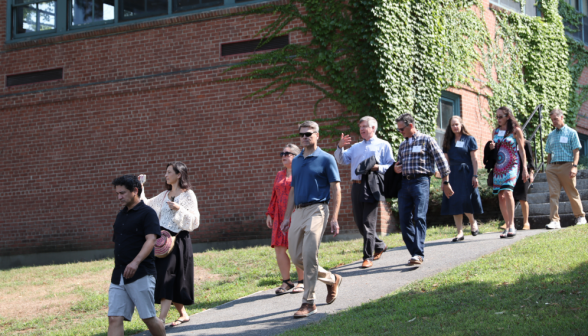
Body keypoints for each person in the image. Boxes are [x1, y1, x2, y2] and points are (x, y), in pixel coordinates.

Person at [280, 121, 343, 318]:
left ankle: (309, 302)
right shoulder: (297, 160)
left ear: (317, 135)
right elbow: (292, 190)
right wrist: (286, 217)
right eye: (302, 134)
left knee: (309, 255)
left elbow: (336, 188)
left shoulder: (326, 159)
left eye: (308, 134)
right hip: (298, 211)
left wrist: (334, 217)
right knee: (297, 257)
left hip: (318, 209)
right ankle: (332, 279)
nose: (305, 137)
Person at [139, 162, 200, 327]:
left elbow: (194, 222)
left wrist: (179, 208)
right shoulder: (164, 194)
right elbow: (146, 204)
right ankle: (183, 314)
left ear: (179, 174)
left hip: (178, 240)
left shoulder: (188, 195)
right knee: (165, 277)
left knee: (167, 276)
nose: (166, 175)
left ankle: (161, 320)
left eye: (169, 172)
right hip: (162, 242)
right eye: (165, 172)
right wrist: (141, 187)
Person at [109, 175, 165, 336]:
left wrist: (135, 262)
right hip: (119, 273)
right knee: (114, 318)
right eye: (117, 193)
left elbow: (151, 240)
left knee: (148, 318)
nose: (119, 197)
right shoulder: (121, 215)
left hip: (141, 272)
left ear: (135, 191)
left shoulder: (147, 213)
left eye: (122, 193)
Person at [335, 116, 394, 268]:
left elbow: (391, 166)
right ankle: (380, 245)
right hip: (356, 185)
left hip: (372, 184)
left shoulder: (383, 145)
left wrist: (377, 167)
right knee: (360, 223)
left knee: (369, 222)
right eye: (360, 127)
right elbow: (342, 160)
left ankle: (367, 257)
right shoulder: (355, 147)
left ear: (373, 128)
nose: (361, 129)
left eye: (364, 126)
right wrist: (340, 147)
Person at [393, 113, 451, 266]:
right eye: (398, 130)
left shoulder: (427, 140)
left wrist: (446, 183)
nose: (400, 132)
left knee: (419, 216)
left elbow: (442, 162)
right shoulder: (402, 145)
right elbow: (398, 165)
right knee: (404, 221)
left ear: (410, 125)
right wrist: (396, 169)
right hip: (404, 184)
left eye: (401, 129)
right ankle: (415, 253)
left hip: (421, 182)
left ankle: (418, 254)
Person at [266, 144, 305, 295]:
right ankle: (286, 281)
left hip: (296, 214)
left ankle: (302, 281)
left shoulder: (301, 173)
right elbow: (274, 196)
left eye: (288, 153)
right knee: (279, 249)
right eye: (282, 153)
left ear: (296, 156)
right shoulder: (279, 174)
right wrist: (270, 213)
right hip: (279, 216)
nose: (284, 156)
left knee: (297, 248)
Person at [441, 116, 483, 241]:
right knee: (454, 201)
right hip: (452, 174)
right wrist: (445, 180)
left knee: (465, 200)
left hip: (466, 173)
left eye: (457, 124)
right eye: (452, 125)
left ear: (461, 125)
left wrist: (475, 175)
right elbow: (446, 162)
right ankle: (460, 232)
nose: (455, 127)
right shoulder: (448, 141)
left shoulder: (469, 139)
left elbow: (474, 159)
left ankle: (472, 221)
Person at [489, 106, 528, 238]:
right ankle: (506, 224)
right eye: (497, 117)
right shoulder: (495, 131)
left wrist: (525, 169)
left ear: (508, 117)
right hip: (499, 166)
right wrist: (491, 146)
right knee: (501, 195)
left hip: (512, 165)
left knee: (508, 192)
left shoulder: (516, 131)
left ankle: (512, 225)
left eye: (501, 116)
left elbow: (522, 150)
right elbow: (493, 150)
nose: (498, 119)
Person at [545, 108, 587, 229]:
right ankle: (555, 221)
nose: (554, 122)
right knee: (553, 194)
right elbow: (549, 152)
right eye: (552, 120)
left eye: (556, 119)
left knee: (571, 192)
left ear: (562, 117)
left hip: (567, 166)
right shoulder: (551, 135)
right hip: (552, 167)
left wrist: (574, 166)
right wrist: (548, 167)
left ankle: (580, 216)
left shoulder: (571, 132)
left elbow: (576, 151)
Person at [500, 140, 535, 230]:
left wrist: (531, 173)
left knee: (523, 198)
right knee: (509, 197)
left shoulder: (525, 143)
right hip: (511, 173)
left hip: (523, 173)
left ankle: (526, 222)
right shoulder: (509, 143)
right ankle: (508, 222)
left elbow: (530, 159)